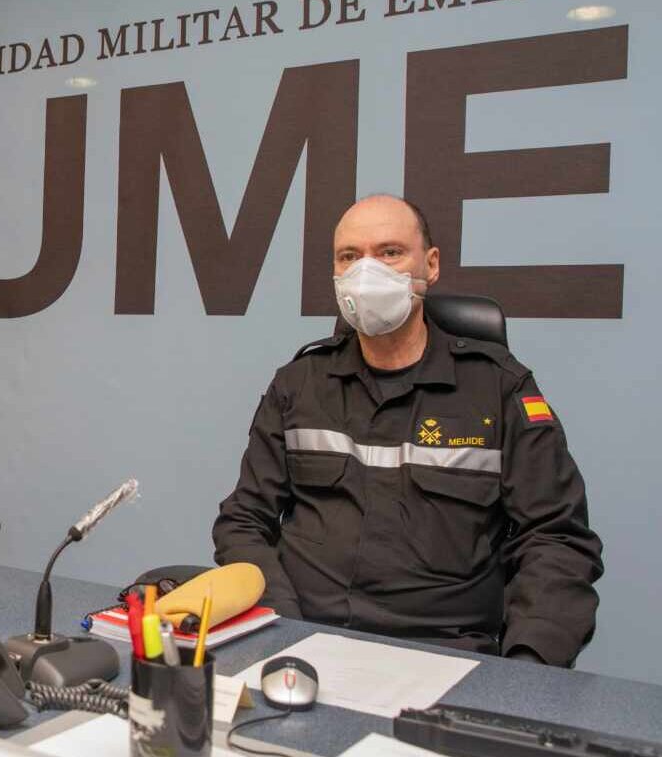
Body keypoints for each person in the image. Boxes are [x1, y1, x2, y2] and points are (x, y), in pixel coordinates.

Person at [212, 194, 603, 667]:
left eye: (390, 252)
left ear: (431, 265)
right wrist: (282, 631)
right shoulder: (299, 385)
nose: (367, 270)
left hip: (445, 654)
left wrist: (527, 674)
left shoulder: (498, 388)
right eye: (350, 257)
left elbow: (556, 538)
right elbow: (245, 520)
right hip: (303, 644)